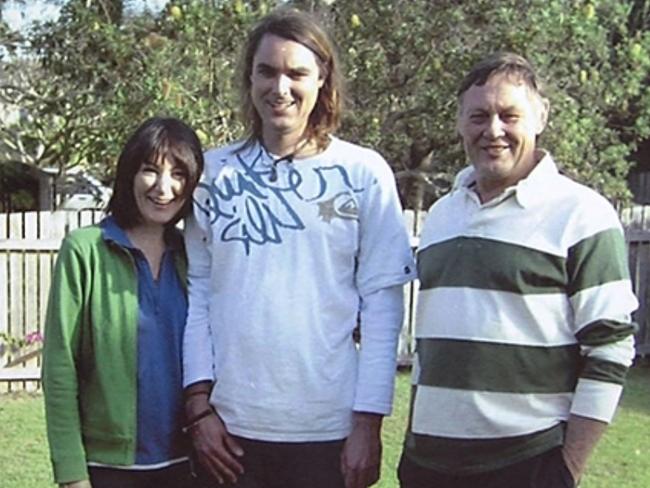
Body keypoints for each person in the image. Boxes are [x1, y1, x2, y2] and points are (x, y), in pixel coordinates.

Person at [182, 8, 416, 488]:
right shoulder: (211, 174)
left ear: (322, 78)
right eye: (267, 71)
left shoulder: (364, 172)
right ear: (249, 77)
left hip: (327, 432)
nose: (280, 87)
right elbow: (199, 295)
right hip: (229, 433)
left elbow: (382, 303)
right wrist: (199, 409)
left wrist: (368, 422)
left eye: (297, 73)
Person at [398, 52, 639, 488]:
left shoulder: (582, 215)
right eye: (478, 116)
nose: (493, 130)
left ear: (540, 116)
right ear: (459, 123)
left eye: (509, 115)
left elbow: (610, 349)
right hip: (428, 466)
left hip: (526, 464)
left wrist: (566, 469)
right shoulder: (440, 216)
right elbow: (434, 351)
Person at [42, 117, 204, 488]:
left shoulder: (193, 255)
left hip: (190, 464)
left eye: (179, 174)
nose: (164, 188)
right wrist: (71, 473)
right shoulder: (85, 251)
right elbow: (60, 367)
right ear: (130, 173)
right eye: (151, 170)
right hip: (109, 468)